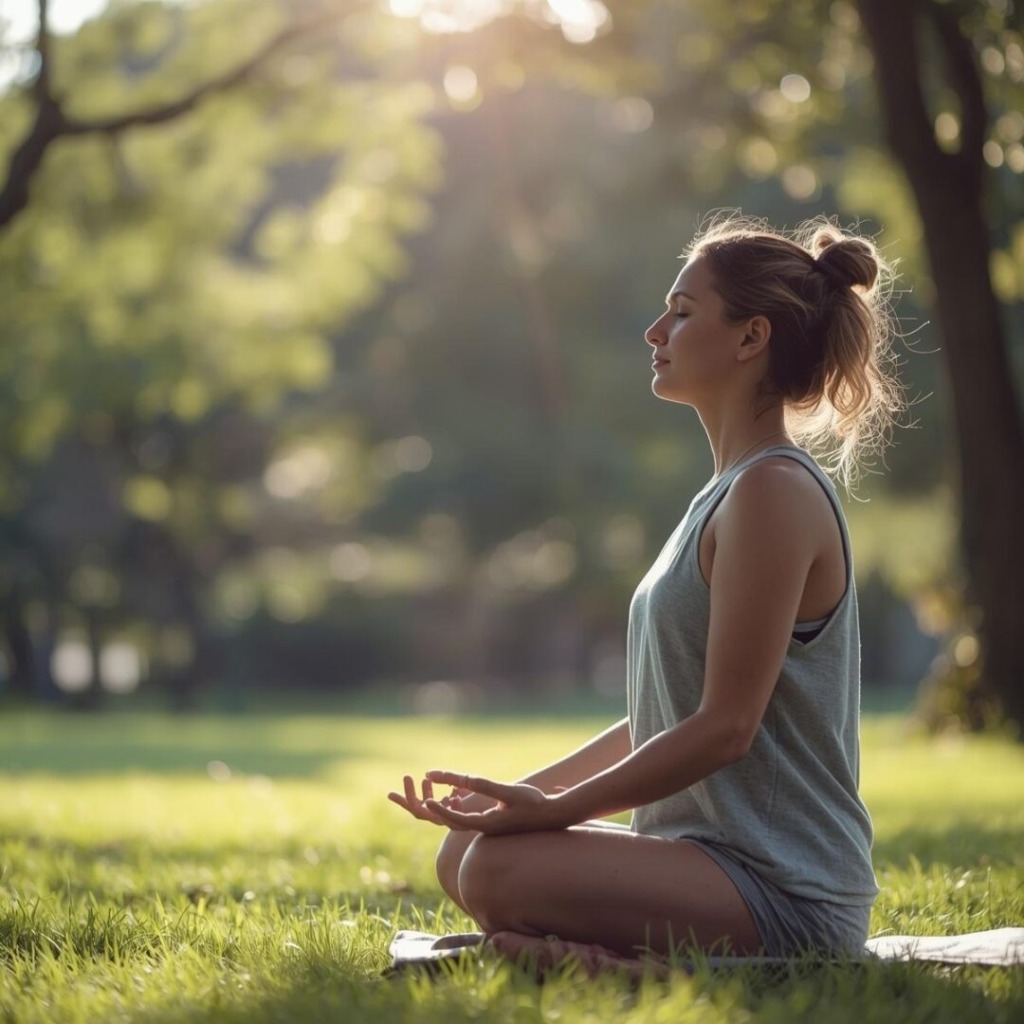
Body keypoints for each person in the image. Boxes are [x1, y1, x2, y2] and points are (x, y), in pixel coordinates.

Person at [388, 215, 902, 971]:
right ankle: (602, 958)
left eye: (683, 312)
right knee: (466, 848)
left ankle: (624, 967)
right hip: (702, 860)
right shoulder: (726, 493)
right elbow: (671, 712)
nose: (655, 332)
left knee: (497, 870)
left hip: (787, 890)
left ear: (750, 337)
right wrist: (520, 796)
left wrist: (558, 811)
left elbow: (726, 727)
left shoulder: (774, 493)